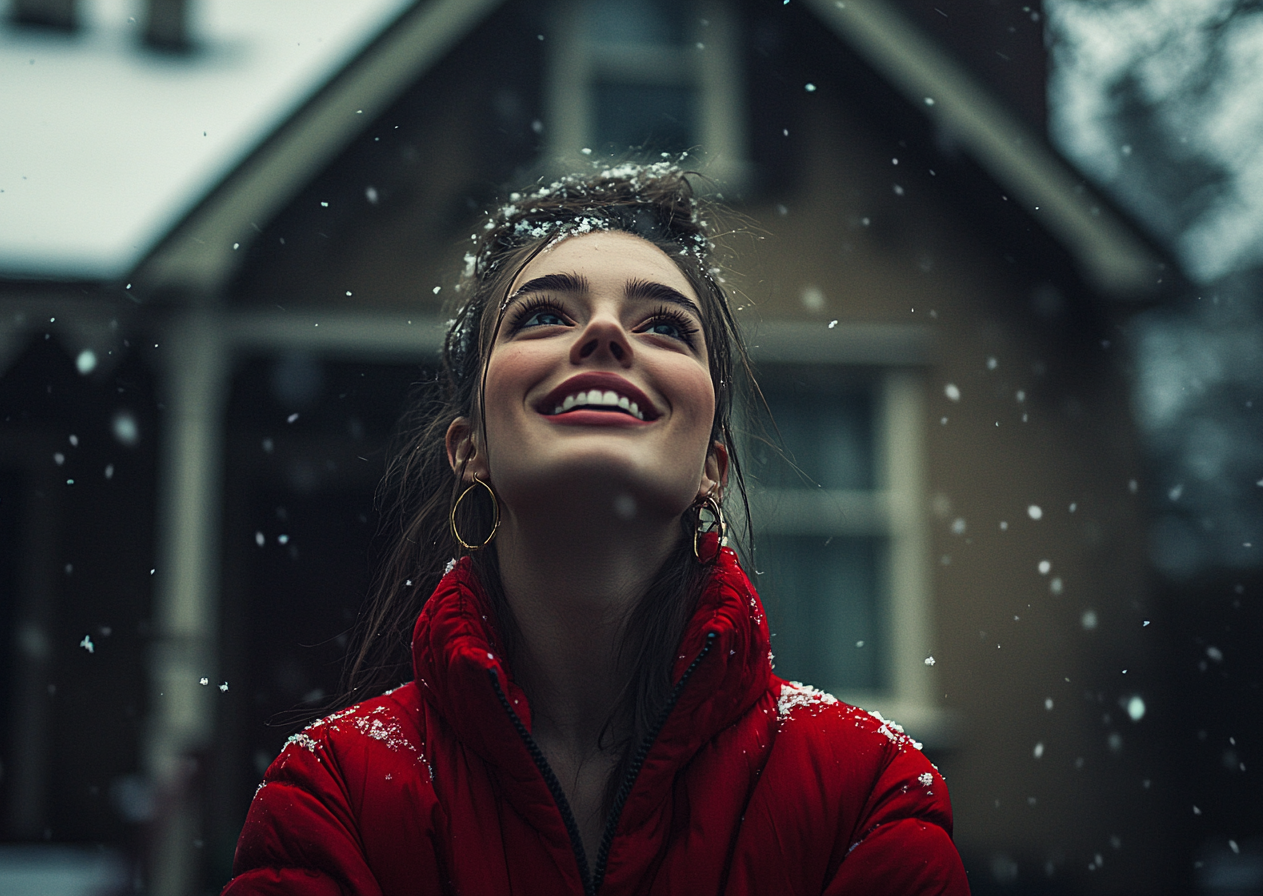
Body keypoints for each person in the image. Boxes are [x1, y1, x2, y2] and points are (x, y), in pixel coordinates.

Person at [223, 164, 970, 895]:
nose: (608, 333)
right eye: (545, 315)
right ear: (469, 447)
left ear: (714, 464)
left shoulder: (867, 794)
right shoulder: (332, 795)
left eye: (667, 326)